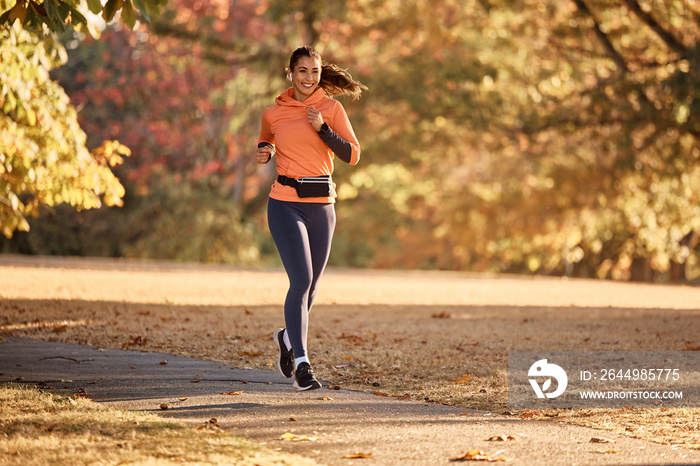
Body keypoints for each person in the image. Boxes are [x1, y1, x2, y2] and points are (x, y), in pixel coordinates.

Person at [256, 46, 367, 391]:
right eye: (302, 71)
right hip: (285, 202)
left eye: (315, 72)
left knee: (313, 287)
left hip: (322, 205)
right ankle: (303, 364)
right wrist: (266, 150)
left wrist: (323, 130)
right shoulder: (273, 113)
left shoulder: (331, 108)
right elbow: (267, 139)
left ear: (320, 74)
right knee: (301, 281)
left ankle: (286, 337)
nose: (309, 77)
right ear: (290, 73)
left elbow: (352, 155)